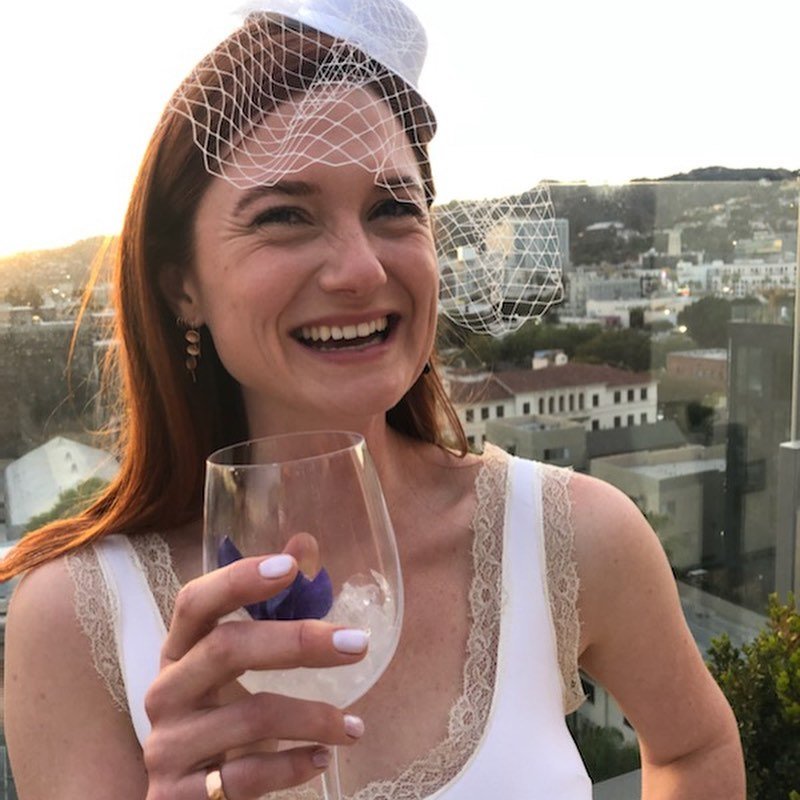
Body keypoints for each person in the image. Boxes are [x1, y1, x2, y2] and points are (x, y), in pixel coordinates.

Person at [1, 1, 745, 798]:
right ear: (182, 284)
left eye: (393, 208)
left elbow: (695, 746)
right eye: (285, 216)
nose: (360, 269)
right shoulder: (73, 618)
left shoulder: (570, 536)